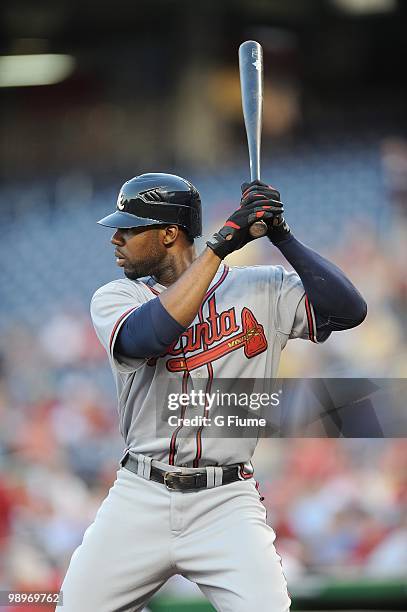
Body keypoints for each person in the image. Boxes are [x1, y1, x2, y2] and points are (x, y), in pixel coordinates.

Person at [59, 173, 367, 611]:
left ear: (169, 233)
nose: (117, 238)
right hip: (141, 494)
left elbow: (349, 310)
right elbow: (149, 336)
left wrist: (283, 237)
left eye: (130, 227)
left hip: (225, 500)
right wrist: (220, 245)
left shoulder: (260, 286)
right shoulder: (116, 296)